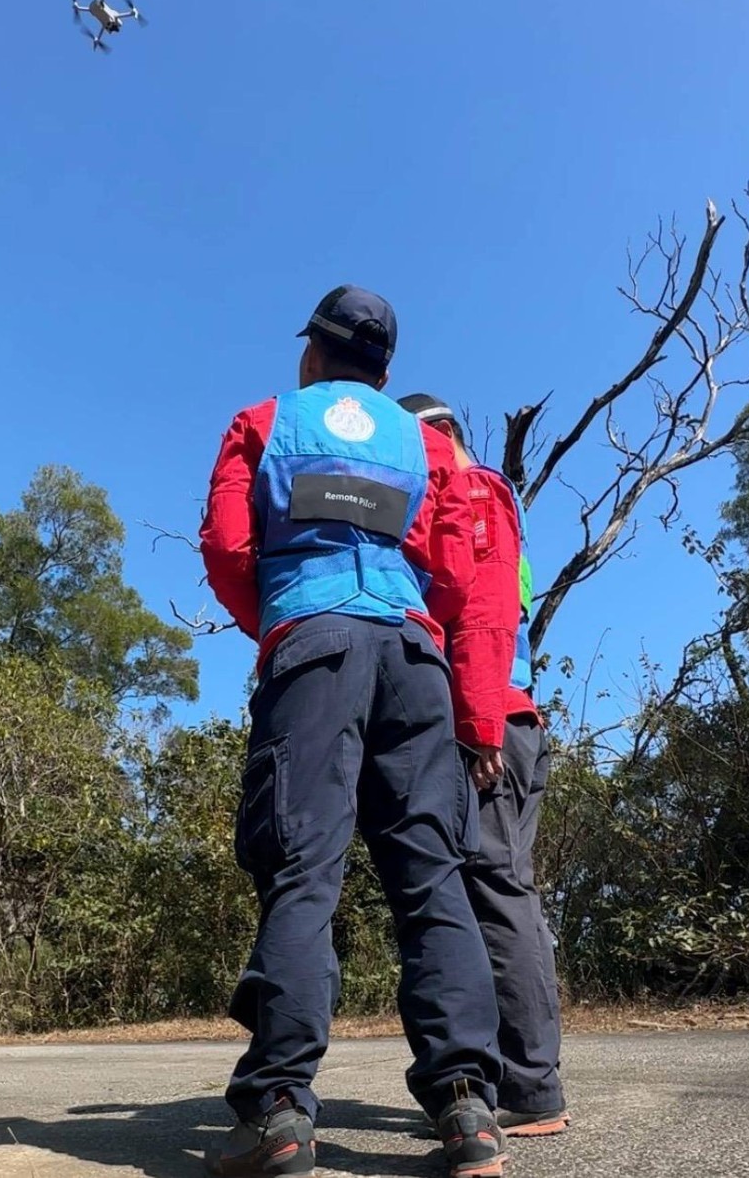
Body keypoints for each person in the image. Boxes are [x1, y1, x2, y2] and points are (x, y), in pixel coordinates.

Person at [200, 288, 506, 1178]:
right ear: (385, 370)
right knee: (433, 878)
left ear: (312, 357)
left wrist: (288, 622)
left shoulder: (261, 422)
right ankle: (468, 1111)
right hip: (415, 655)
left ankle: (282, 1113)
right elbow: (454, 566)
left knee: (304, 872)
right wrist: (414, 633)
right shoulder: (430, 446)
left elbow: (225, 547)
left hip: (313, 649)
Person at [398, 393, 569, 1138]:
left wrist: (475, 726)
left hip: (491, 718)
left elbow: (483, 613)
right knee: (500, 888)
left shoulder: (467, 492)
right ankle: (520, 1076)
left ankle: (532, 1086)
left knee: (498, 890)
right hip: (509, 711)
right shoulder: (497, 501)